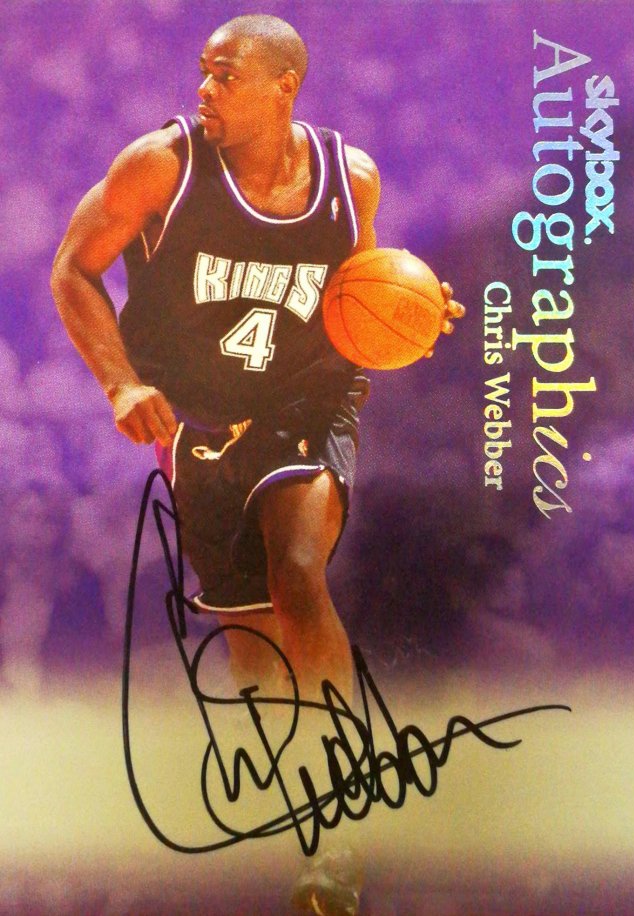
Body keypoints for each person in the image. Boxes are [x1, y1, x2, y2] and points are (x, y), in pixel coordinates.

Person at [51, 14, 463, 913]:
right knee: (254, 661)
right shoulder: (159, 166)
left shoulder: (351, 180)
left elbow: (361, 298)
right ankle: (297, 811)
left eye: (224, 75)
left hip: (305, 406)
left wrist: (416, 312)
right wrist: (120, 383)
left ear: (284, 87)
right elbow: (72, 271)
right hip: (199, 426)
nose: (204, 90)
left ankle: (342, 811)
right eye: (202, 73)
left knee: (298, 573)